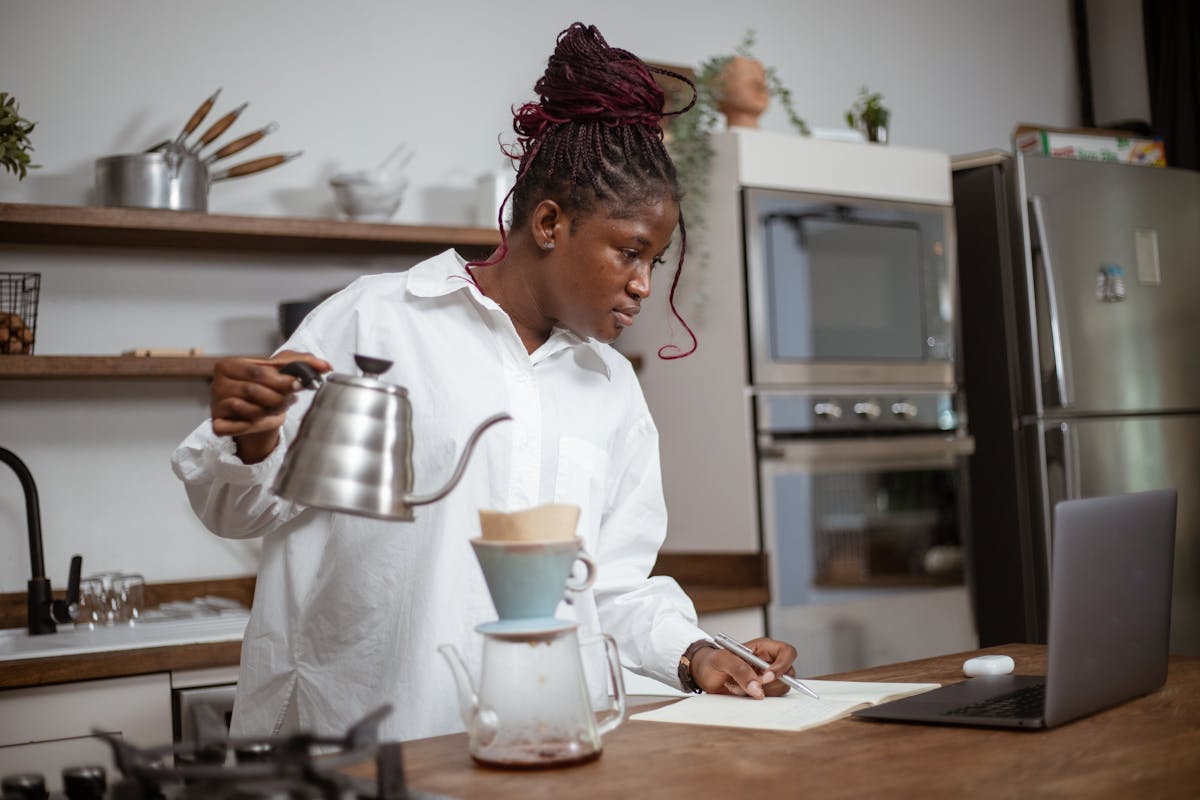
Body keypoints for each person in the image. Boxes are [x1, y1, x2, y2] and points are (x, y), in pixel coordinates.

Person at [172, 22, 799, 742]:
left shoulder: (611, 390)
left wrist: (695, 653)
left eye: (654, 261)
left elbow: (611, 588)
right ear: (550, 222)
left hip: (540, 750)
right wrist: (254, 443)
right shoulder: (377, 325)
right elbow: (237, 513)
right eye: (630, 252)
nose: (642, 285)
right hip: (361, 751)